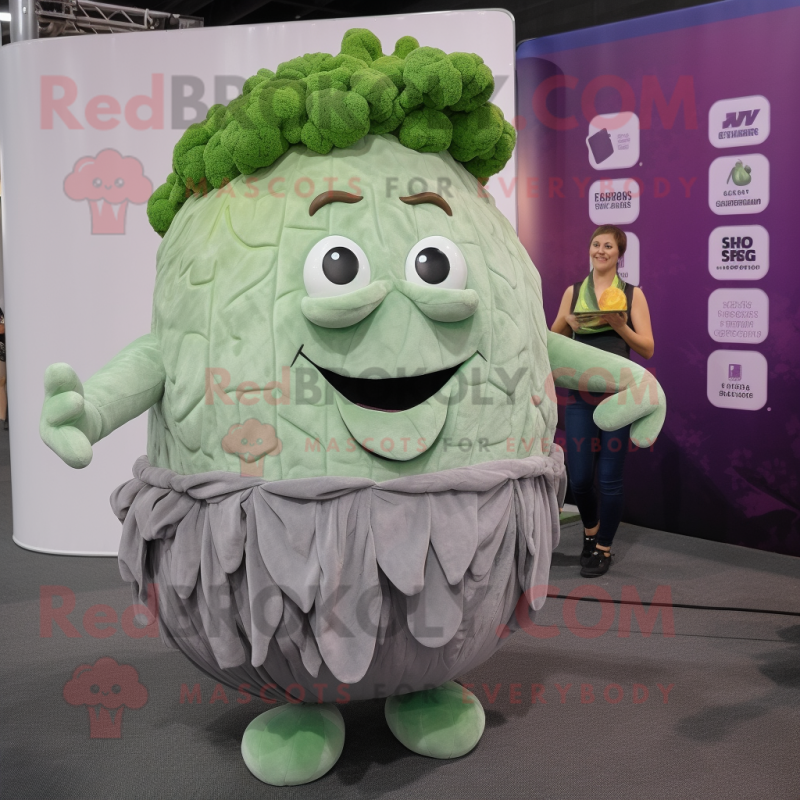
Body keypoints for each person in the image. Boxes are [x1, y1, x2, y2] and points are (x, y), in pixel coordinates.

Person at [551, 225, 654, 577]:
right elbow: (552, 341)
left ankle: (604, 548)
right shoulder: (573, 292)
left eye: (608, 246)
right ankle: (590, 532)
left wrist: (618, 325)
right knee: (579, 478)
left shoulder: (632, 294)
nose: (600, 250)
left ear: (619, 253)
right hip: (580, 396)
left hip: (621, 398)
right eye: (596, 244)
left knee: (610, 478)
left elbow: (647, 348)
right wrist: (567, 320)